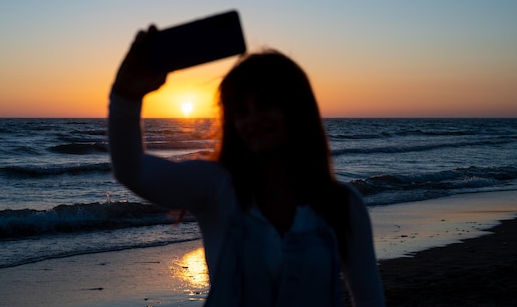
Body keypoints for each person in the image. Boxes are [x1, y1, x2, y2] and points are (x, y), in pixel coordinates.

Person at [108, 26, 385, 307]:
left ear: (297, 108)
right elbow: (133, 171)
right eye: (242, 111)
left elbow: (369, 298)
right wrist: (125, 97)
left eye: (265, 105)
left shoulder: (343, 205)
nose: (253, 119)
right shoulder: (217, 188)